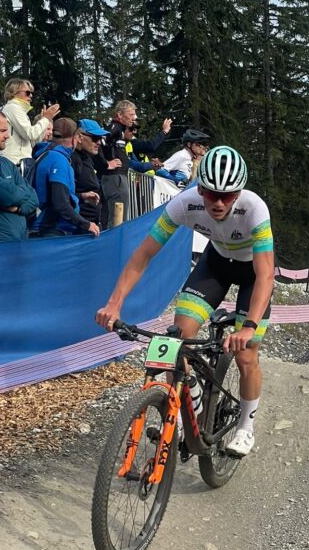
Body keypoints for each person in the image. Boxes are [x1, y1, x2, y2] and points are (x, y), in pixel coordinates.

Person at [96, 146, 274, 458]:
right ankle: (182, 408)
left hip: (252, 274)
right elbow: (143, 255)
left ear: (239, 193)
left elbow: (265, 275)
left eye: (228, 196)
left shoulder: (255, 209)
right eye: (211, 194)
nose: (218, 203)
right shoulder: (184, 203)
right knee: (177, 339)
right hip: (216, 265)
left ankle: (246, 427)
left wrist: (248, 326)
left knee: (246, 355)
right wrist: (114, 303)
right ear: (199, 188)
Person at [98, 100, 172, 227]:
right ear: (120, 115)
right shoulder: (115, 128)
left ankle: (116, 238)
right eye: (131, 114)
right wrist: (105, 164)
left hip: (120, 177)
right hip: (115, 177)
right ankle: (114, 239)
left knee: (119, 217)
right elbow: (99, 142)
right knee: (116, 219)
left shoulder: (121, 132)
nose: (135, 117)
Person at [29, 118, 100, 238]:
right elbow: (60, 203)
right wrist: (86, 224)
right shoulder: (59, 160)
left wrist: (80, 196)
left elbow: (52, 193)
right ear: (76, 138)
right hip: (51, 231)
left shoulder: (48, 154)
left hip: (46, 228)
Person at [0, 107, 39, 242]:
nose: (8, 135)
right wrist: (20, 194)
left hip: (19, 244)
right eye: (2, 131)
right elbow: (9, 195)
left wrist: (17, 208)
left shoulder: (6, 163)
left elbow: (34, 197)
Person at [0, 78, 60, 167]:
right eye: (27, 92)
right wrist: (46, 119)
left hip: (20, 161)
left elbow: (34, 142)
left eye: (31, 93)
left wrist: (44, 121)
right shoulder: (13, 108)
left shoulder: (20, 110)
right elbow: (30, 134)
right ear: (14, 92)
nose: (31, 95)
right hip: (13, 162)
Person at [72, 119, 108, 228]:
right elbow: (62, 195)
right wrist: (82, 196)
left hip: (91, 224)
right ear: (80, 137)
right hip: (79, 227)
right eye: (95, 138)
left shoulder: (87, 157)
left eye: (101, 138)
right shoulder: (72, 158)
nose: (99, 142)